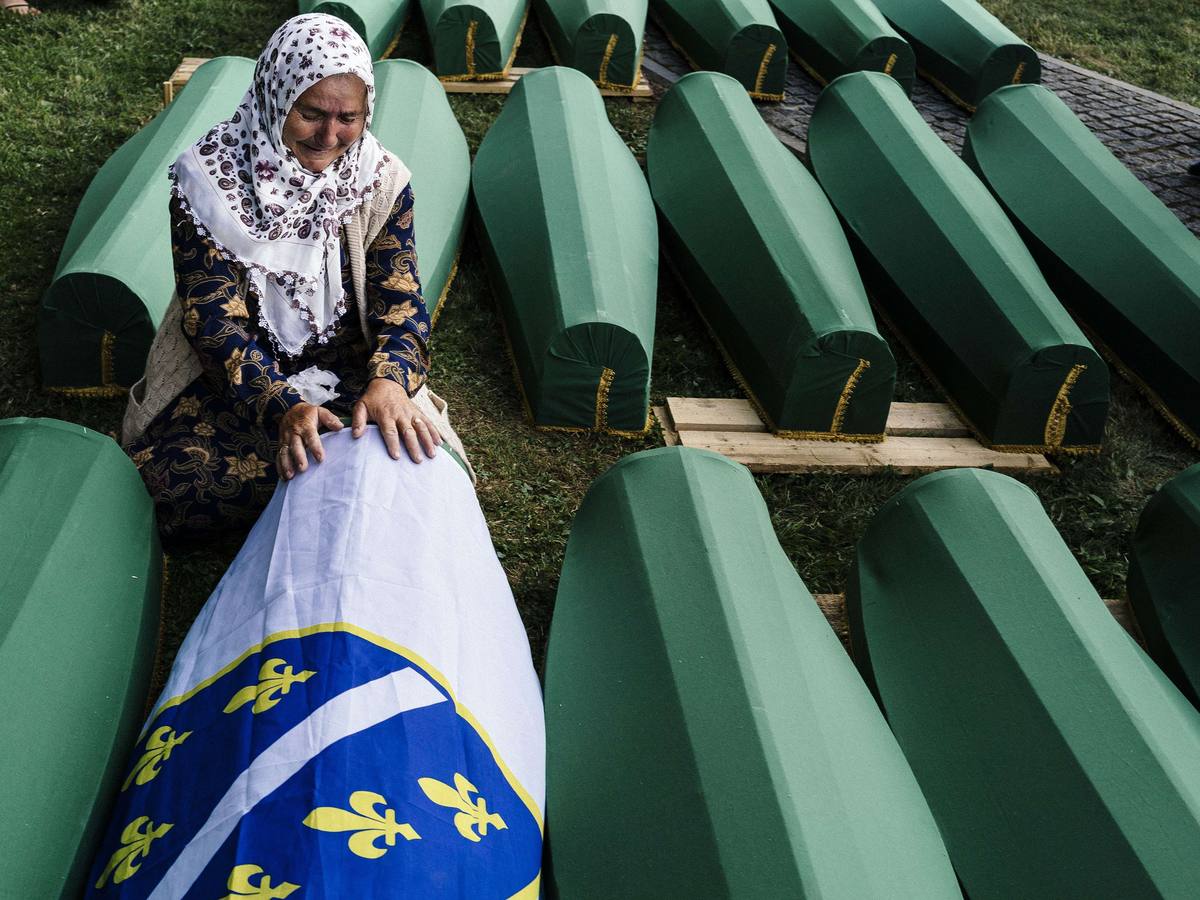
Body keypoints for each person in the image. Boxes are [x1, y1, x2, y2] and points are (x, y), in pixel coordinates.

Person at [122, 14, 468, 540]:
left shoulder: (380, 180)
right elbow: (214, 322)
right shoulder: (208, 182)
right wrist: (283, 406)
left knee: (412, 458)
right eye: (311, 113)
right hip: (238, 380)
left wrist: (388, 382)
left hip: (348, 364)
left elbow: (399, 299)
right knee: (180, 486)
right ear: (275, 98)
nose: (330, 136)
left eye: (348, 117)